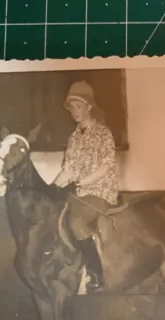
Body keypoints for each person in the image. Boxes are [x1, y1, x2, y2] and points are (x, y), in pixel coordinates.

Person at [54, 80, 119, 292]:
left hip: (100, 192)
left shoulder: (103, 133)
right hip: (79, 193)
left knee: (77, 221)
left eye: (79, 106)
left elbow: (106, 167)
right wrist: (52, 188)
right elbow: (68, 169)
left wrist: (81, 182)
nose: (75, 111)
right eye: (72, 106)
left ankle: (95, 273)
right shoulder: (73, 138)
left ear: (90, 107)